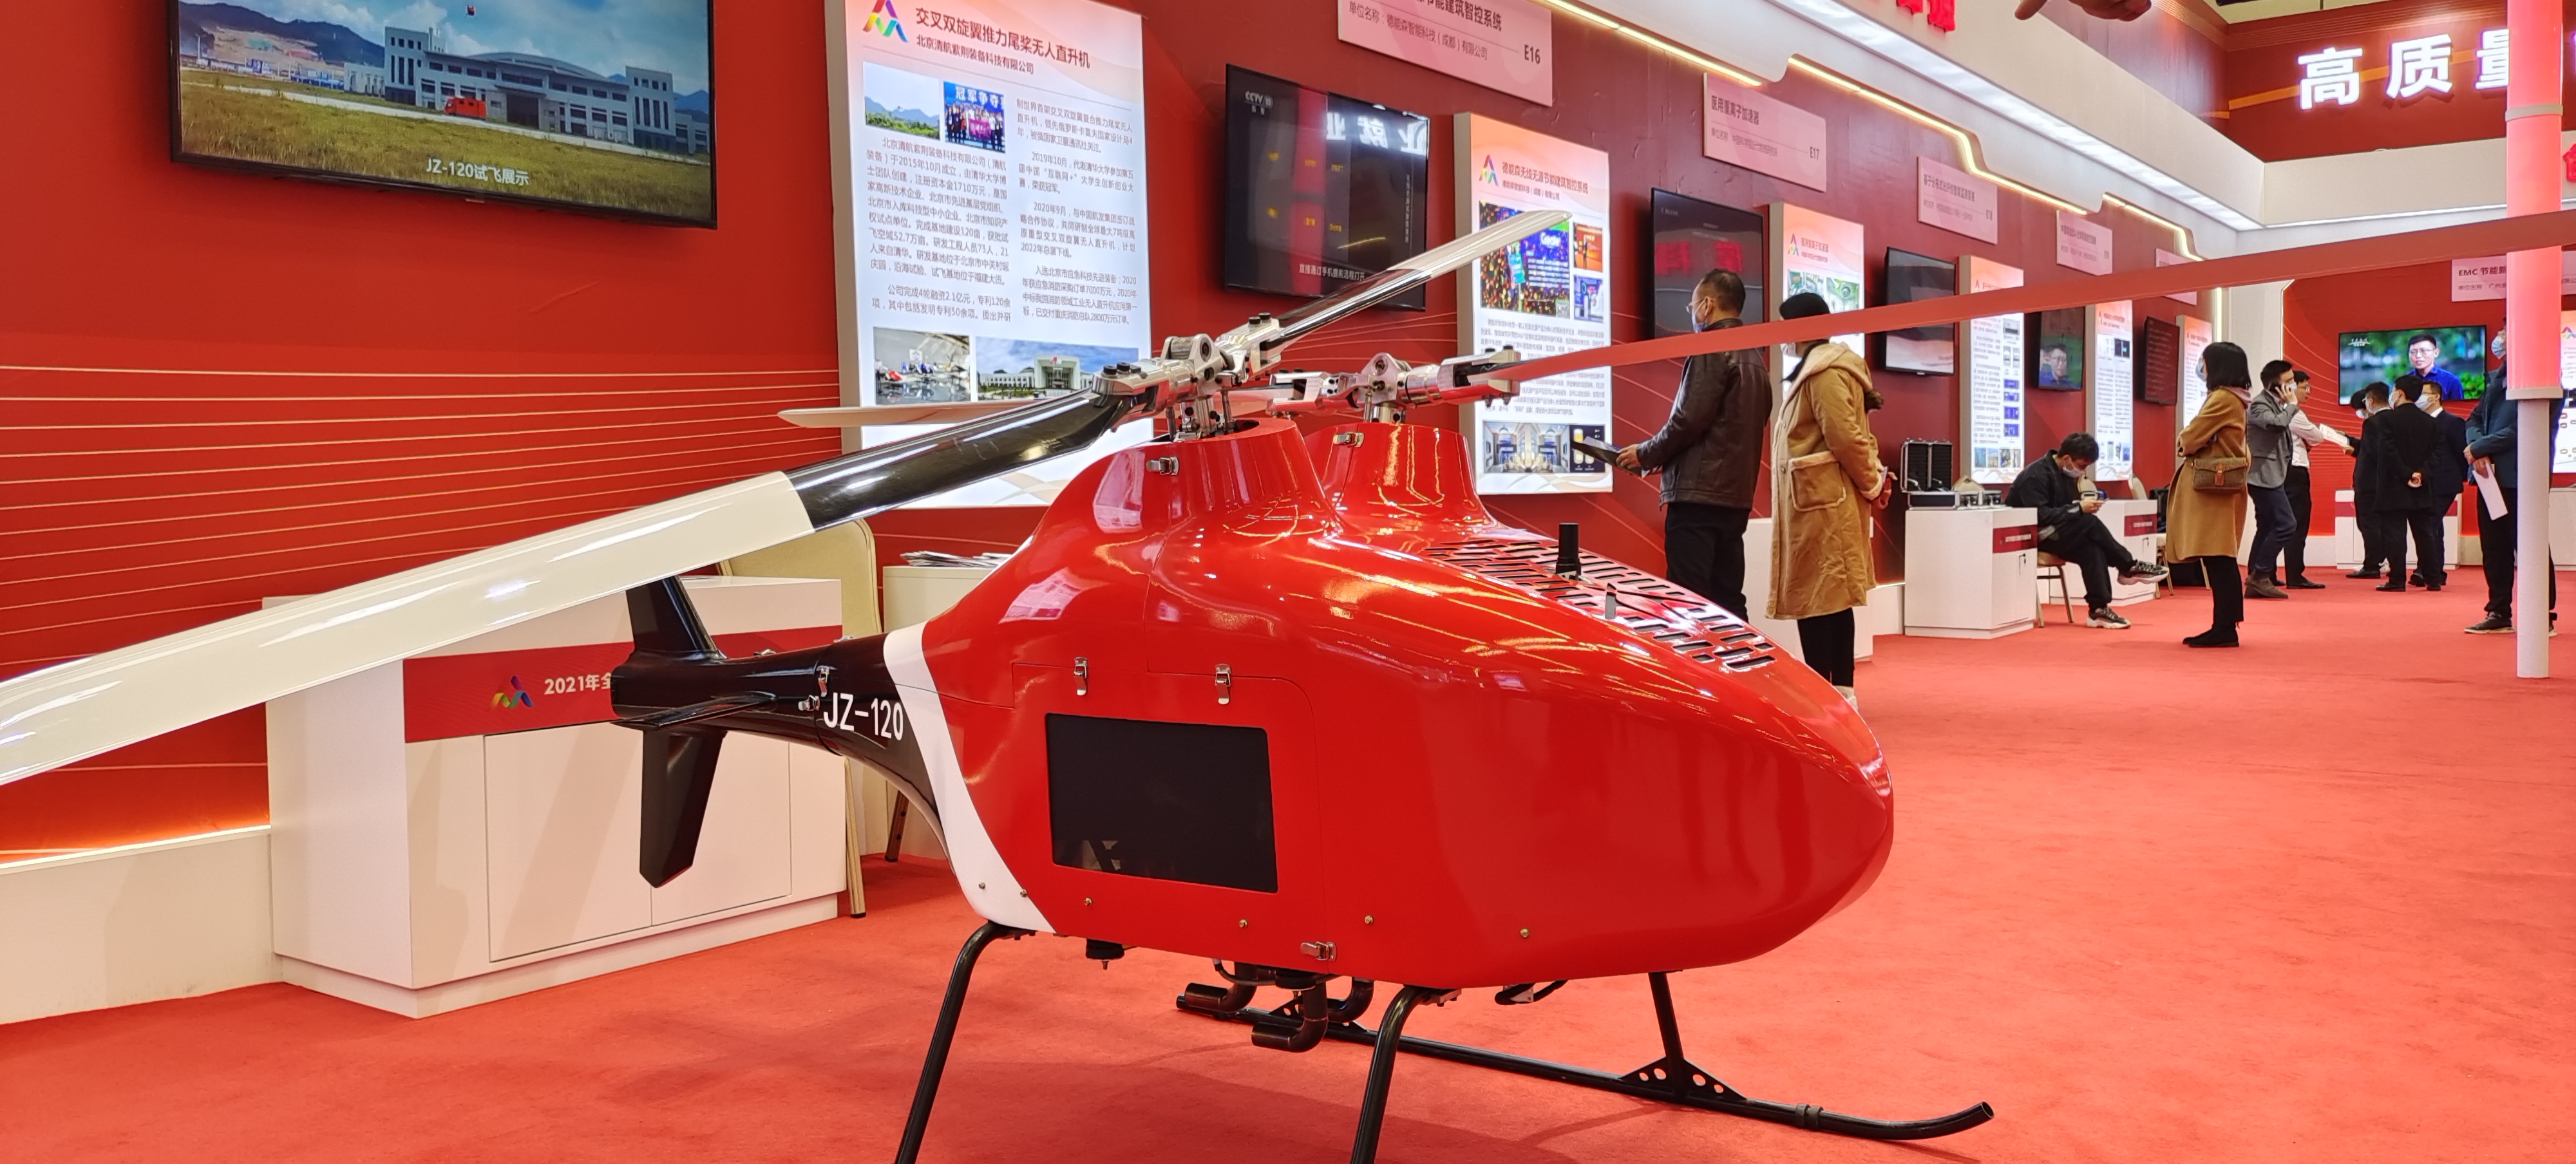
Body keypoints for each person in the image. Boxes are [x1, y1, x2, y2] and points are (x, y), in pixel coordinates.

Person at [1618, 269, 1771, 620]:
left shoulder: (1709, 348)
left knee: (1688, 602)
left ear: (1708, 305)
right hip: (1735, 500)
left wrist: (1645, 454)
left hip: (1697, 499)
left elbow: (1687, 420)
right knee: (1729, 602)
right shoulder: (1755, 359)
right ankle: (1741, 658)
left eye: (1692, 306)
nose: (1692, 313)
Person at [1768, 292, 1891, 706]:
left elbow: (1846, 437)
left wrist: (1872, 484)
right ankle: (1837, 691)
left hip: (1822, 505)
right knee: (1826, 597)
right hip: (1817, 501)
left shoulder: (1825, 372)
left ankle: (1830, 692)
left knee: (1821, 599)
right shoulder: (1822, 369)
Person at [2004, 431, 2168, 628]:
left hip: (2056, 531)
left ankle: (2099, 610)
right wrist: (2078, 509)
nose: (2083, 471)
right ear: (2067, 458)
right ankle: (2128, 566)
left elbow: (2060, 511)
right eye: (2082, 466)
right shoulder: (2035, 476)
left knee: (2091, 549)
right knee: (2089, 522)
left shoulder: (2066, 474)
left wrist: (2078, 508)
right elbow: (2040, 515)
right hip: (2031, 536)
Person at [2461, 346, 2566, 634]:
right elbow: (2474, 419)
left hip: (2523, 476)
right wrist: (2477, 448)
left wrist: (2481, 447)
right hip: (2488, 476)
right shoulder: (2497, 378)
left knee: (2531, 547)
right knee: (2494, 547)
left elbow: (2527, 427)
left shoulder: (2545, 380)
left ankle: (2542, 614)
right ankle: (2498, 611)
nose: (2502, 341)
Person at [2170, 342, 2253, 647]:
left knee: (2218, 557)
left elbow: (2190, 437)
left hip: (2212, 490)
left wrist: (2186, 441)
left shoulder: (2222, 398)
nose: (2201, 367)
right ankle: (2224, 625)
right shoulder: (2236, 398)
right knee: (2219, 556)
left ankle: (2225, 627)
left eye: (2204, 361)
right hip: (2221, 489)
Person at [2365, 376, 2445, 592]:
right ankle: (2433, 579)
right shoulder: (2431, 421)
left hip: (2393, 486)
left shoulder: (2386, 420)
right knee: (2425, 535)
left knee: (2395, 536)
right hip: (2422, 486)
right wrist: (2421, 474)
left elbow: (2388, 452)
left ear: (2399, 393)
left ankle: (2397, 580)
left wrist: (2406, 474)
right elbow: (2438, 453)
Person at [2278, 370, 2352, 588]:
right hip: (2295, 471)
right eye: (2305, 387)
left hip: (2279, 471)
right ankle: (2295, 575)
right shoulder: (2294, 413)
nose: (2309, 392)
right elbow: (2317, 437)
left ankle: (2266, 573)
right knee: (2297, 524)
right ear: (2291, 387)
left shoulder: (2274, 410)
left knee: (2275, 524)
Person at [2242, 360, 2300, 599]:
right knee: (2287, 524)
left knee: (2266, 525)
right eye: (2289, 381)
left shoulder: (2276, 404)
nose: (2294, 385)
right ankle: (2260, 575)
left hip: (2272, 473)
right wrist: (2293, 405)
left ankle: (2256, 576)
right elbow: (2275, 425)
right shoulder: (2258, 405)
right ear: (2276, 385)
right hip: (2262, 476)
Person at [2412, 380, 2469, 587]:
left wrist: (2458, 477)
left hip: (2445, 482)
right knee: (2432, 526)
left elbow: (2462, 453)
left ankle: (2427, 571)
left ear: (2436, 397)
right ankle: (2434, 571)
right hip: (2424, 482)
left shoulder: (2452, 422)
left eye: (2423, 393)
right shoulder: (2419, 423)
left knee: (2430, 523)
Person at [2345, 382, 2394, 579]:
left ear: (2370, 401)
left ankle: (2372, 564)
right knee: (2383, 525)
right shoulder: (2394, 419)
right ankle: (2381, 561)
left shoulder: (2372, 423)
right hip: (2386, 482)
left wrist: (2356, 449)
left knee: (2369, 523)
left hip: (2369, 482)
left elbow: (2373, 453)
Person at [2404, 333, 2465, 402]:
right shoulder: (2404, 383)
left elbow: (2459, 407)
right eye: (2413, 352)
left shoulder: (2451, 381)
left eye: (2424, 351)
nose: (2418, 356)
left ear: (2436, 353)